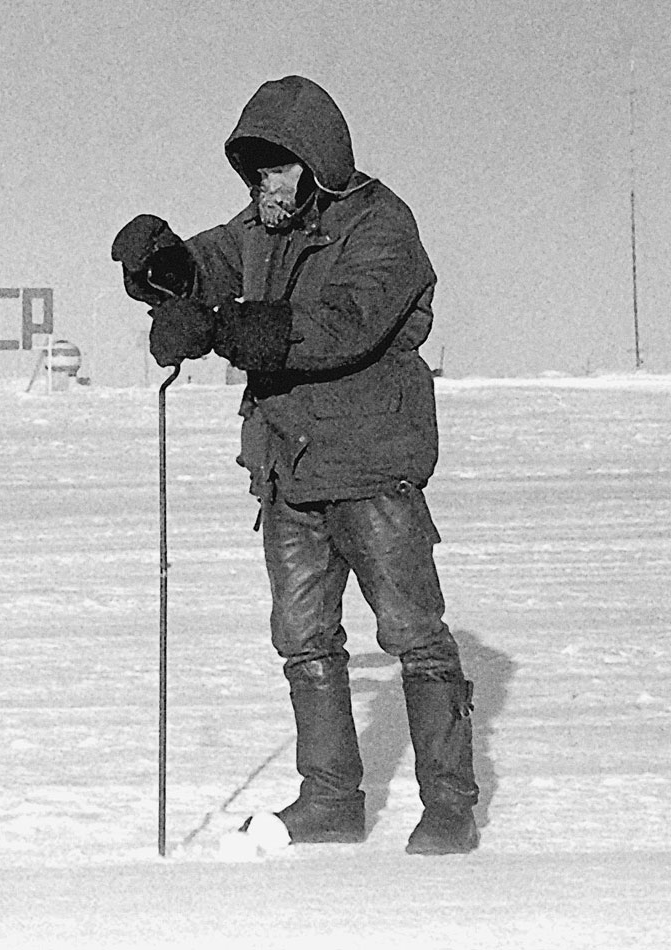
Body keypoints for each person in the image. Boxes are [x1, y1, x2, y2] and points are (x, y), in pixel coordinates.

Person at [111, 74, 479, 856]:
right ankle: (331, 800)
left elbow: (343, 323)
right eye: (251, 172)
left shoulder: (382, 226)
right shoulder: (258, 229)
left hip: (370, 465)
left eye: (274, 169)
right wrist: (162, 265)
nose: (260, 185)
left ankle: (448, 803)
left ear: (315, 162)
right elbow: (207, 269)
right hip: (288, 470)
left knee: (414, 634)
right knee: (304, 638)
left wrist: (235, 330)